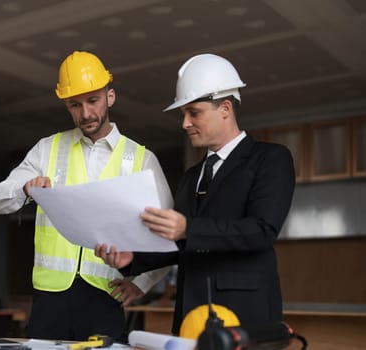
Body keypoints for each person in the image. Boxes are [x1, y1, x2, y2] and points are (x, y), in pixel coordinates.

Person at [95, 53, 296, 335]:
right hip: (190, 312)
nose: (185, 123)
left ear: (225, 108)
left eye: (194, 113)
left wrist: (188, 227)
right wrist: (133, 260)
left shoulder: (270, 159)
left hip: (245, 313)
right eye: (183, 114)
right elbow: (181, 245)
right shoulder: (191, 176)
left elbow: (261, 230)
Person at [0, 51, 173, 342]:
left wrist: (141, 283)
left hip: (105, 298)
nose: (85, 113)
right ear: (66, 105)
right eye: (75, 104)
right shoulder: (46, 149)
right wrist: (25, 188)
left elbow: (168, 236)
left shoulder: (141, 159)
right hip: (49, 300)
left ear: (110, 97)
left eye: (93, 100)